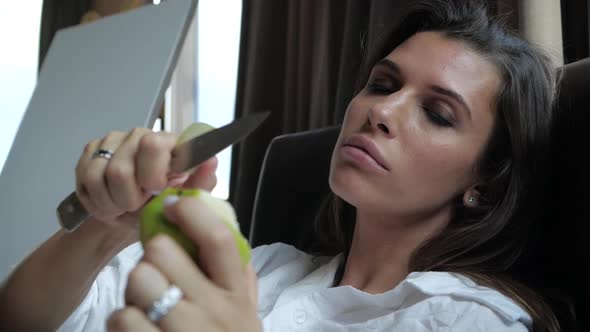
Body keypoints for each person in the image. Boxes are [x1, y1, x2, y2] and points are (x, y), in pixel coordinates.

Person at [0, 0, 561, 331]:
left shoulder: (467, 319)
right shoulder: (268, 269)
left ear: (483, 186)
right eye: (381, 84)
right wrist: (105, 226)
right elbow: (26, 319)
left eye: (438, 114)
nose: (380, 111)